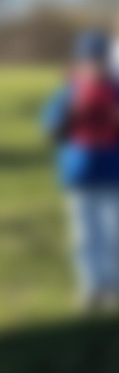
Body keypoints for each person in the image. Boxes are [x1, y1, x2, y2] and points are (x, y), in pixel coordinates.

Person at [43, 30, 119, 310]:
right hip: (80, 171)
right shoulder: (71, 89)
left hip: (112, 172)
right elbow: (51, 128)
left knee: (111, 230)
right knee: (86, 233)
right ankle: (93, 286)